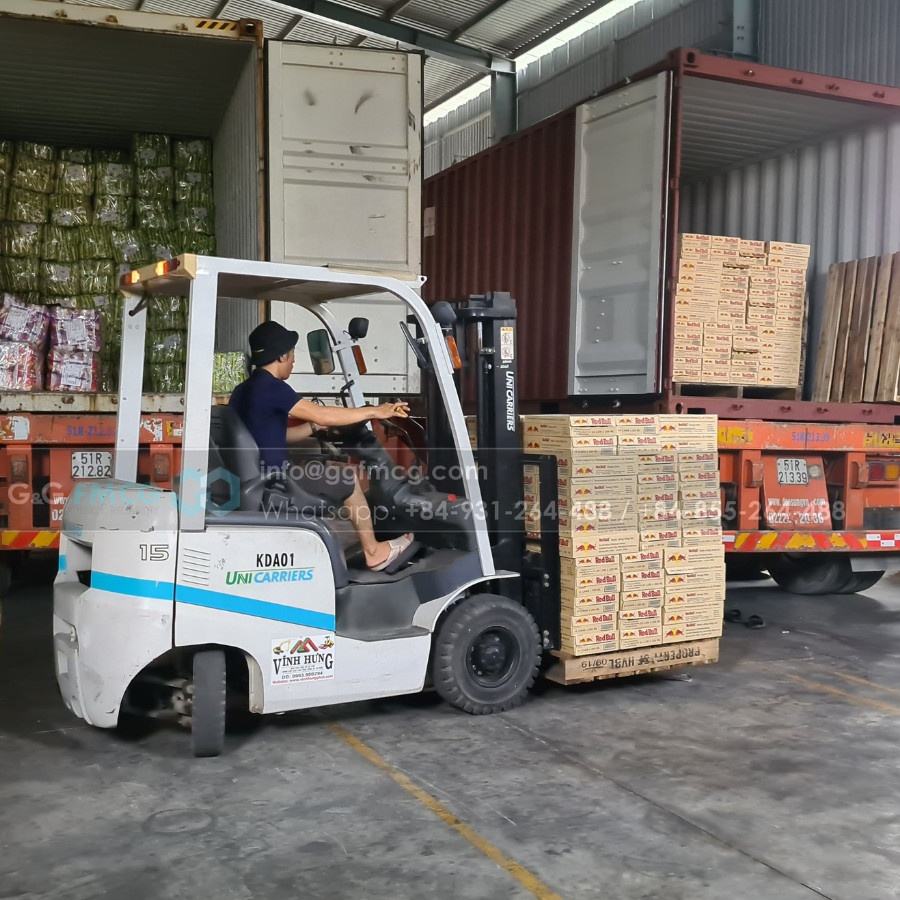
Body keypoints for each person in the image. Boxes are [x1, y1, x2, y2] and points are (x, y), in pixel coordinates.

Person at [230, 320, 415, 572]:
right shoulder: (272, 388)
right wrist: (375, 411)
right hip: (276, 483)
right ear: (282, 355)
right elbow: (323, 414)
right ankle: (374, 551)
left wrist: (313, 428)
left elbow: (276, 436)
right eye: (292, 354)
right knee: (346, 478)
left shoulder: (243, 391)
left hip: (255, 480)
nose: (293, 361)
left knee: (322, 468)